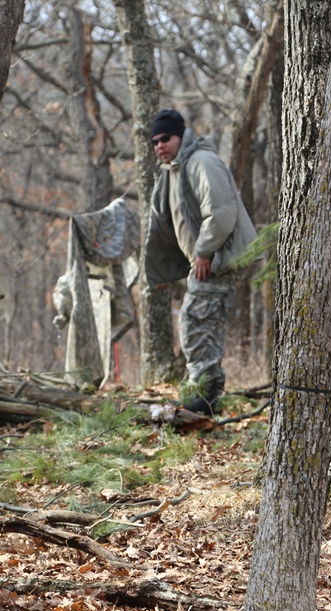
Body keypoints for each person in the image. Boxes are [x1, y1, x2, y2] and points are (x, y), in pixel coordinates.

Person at [144, 109, 257, 415]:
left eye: (165, 138)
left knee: (196, 322)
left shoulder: (201, 162)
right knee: (199, 322)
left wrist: (205, 252)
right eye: (154, 141)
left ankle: (202, 399)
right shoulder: (176, 169)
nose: (159, 145)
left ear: (181, 136)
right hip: (207, 259)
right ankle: (206, 397)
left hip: (220, 258)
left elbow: (221, 213)